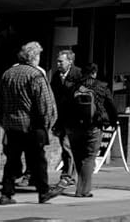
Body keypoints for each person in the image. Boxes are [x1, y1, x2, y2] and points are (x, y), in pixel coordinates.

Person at [0, 40, 60, 206]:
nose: (39, 58)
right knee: (38, 160)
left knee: (11, 161)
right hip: (32, 125)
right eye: (38, 55)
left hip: (12, 125)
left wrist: (4, 120)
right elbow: (45, 103)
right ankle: (43, 191)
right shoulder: (35, 75)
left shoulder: (8, 74)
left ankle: (6, 194)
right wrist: (47, 124)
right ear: (33, 57)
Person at [66, 64, 118, 198]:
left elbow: (64, 106)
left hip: (74, 127)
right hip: (93, 126)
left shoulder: (73, 87)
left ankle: (81, 187)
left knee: (78, 157)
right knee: (89, 157)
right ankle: (83, 191)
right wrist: (113, 122)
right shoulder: (102, 86)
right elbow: (111, 105)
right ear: (94, 73)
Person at [49, 48, 83, 188]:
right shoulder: (57, 76)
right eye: (57, 61)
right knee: (66, 148)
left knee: (67, 146)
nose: (58, 64)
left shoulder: (79, 74)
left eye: (61, 61)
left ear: (70, 61)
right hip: (62, 118)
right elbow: (52, 95)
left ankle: (67, 176)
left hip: (75, 118)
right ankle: (71, 175)